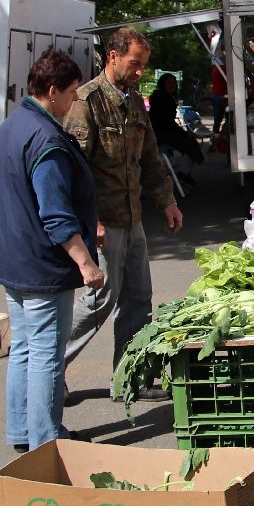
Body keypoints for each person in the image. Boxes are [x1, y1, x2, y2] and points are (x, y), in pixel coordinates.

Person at [63, 27, 183, 402]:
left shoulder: (134, 102)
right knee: (101, 300)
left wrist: (167, 200)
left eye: (143, 66)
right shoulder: (87, 101)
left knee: (139, 298)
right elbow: (72, 170)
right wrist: (89, 220)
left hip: (133, 219)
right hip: (104, 222)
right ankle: (51, 366)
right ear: (112, 57)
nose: (139, 72)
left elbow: (149, 158)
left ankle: (130, 378)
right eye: (135, 64)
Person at [1, 50, 105, 451]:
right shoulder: (46, 139)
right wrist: (86, 263)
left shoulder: (12, 125)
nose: (75, 99)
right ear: (52, 91)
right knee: (46, 353)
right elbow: (56, 215)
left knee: (25, 348)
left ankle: (22, 432)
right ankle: (47, 438)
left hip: (14, 258)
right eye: (72, 91)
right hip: (42, 265)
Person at [148, 73, 205, 166]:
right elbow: (166, 122)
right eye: (169, 83)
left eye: (173, 83)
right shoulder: (163, 99)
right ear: (163, 84)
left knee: (191, 143)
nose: (172, 86)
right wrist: (184, 133)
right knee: (190, 144)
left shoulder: (164, 97)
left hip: (162, 132)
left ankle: (183, 170)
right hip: (161, 134)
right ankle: (182, 171)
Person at [208, 55, 228, 135]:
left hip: (215, 94)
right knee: (227, 118)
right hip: (220, 95)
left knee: (217, 119)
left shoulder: (216, 68)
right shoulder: (224, 68)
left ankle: (216, 136)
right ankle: (219, 136)